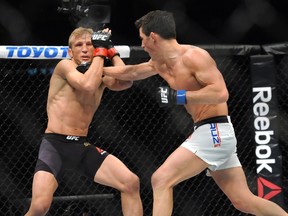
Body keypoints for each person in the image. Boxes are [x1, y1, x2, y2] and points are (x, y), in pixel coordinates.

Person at [103, 10, 288, 216]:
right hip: (212, 132)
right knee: (243, 201)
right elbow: (131, 72)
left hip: (213, 132)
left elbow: (220, 93)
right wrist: (101, 59)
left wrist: (178, 97)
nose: (143, 45)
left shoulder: (194, 56)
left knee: (161, 179)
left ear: (154, 37)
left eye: (143, 39)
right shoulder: (160, 63)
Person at [24, 27, 143, 216]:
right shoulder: (65, 66)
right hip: (55, 146)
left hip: (81, 146)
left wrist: (110, 50)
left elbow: (126, 81)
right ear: (71, 52)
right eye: (79, 45)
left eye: (90, 44)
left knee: (130, 182)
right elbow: (87, 84)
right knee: (39, 207)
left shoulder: (100, 73)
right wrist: (100, 52)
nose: (86, 49)